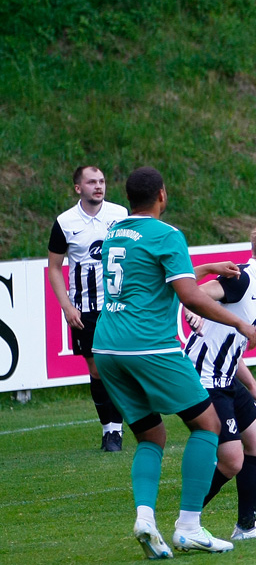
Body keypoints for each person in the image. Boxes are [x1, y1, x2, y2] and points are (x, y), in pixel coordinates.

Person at [92, 166, 256, 558]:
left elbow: (154, 279)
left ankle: (146, 519)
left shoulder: (115, 231)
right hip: (148, 346)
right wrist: (239, 322)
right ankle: (188, 525)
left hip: (107, 349)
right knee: (208, 425)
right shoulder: (168, 235)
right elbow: (190, 297)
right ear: (162, 196)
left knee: (151, 435)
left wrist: (205, 268)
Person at [184, 224, 256, 541]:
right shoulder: (243, 279)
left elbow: (229, 342)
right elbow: (196, 293)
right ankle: (186, 521)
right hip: (205, 379)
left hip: (227, 378)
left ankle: (245, 527)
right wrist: (194, 311)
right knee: (232, 461)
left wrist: (254, 387)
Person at [46, 166, 128, 452]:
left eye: (102, 181)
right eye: (91, 182)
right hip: (84, 309)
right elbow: (54, 268)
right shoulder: (65, 222)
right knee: (97, 370)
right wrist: (67, 306)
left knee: (118, 365)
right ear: (78, 188)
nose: (98, 186)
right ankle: (108, 429)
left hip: (118, 304)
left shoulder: (120, 215)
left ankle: (117, 430)